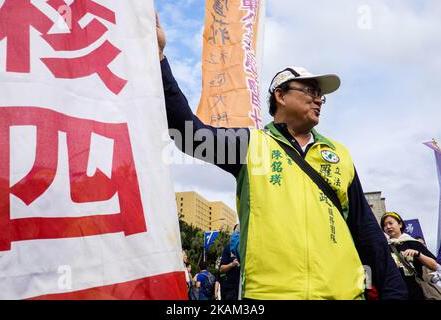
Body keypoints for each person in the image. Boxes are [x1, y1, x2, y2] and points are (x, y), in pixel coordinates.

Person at [156, 13, 407, 300]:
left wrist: (395, 292)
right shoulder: (251, 146)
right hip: (270, 295)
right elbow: (188, 134)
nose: (318, 99)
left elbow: (367, 231)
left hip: (344, 294)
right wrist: (160, 58)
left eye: (321, 95)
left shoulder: (339, 154)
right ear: (281, 95)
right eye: (310, 90)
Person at [381, 212, 438, 300]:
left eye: (390, 223)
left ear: (400, 224)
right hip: (393, 293)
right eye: (384, 225)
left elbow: (434, 266)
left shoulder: (413, 243)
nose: (388, 227)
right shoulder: (384, 248)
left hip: (415, 292)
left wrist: (418, 254)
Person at [219, 225, 241, 300]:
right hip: (230, 288)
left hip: (245, 288)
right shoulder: (228, 248)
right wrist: (232, 264)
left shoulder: (248, 246)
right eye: (237, 232)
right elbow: (221, 269)